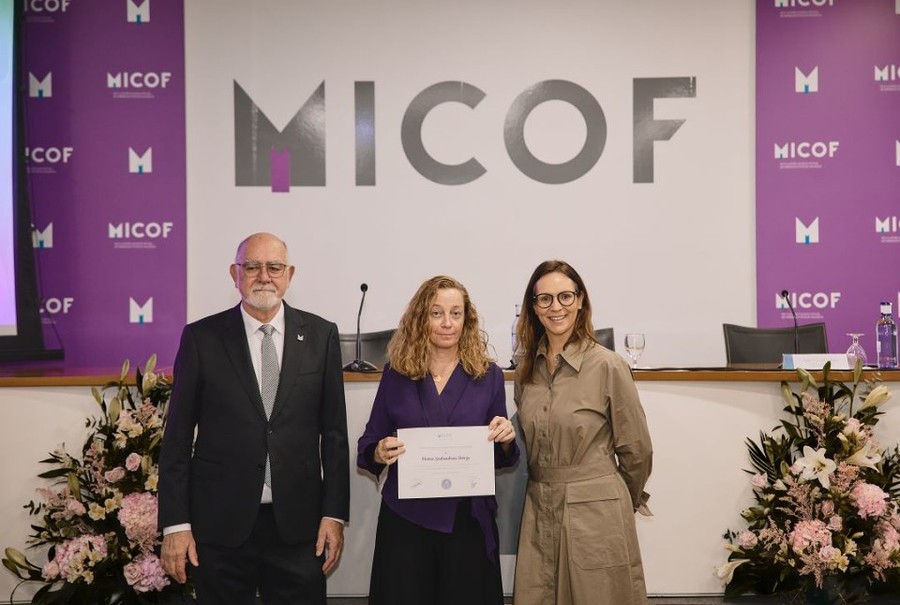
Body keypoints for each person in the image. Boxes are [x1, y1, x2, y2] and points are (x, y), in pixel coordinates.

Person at [158, 232, 349, 605]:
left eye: (274, 267)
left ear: (289, 274)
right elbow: (177, 438)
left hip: (299, 527)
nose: (264, 276)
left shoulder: (321, 335)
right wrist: (176, 525)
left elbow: (335, 434)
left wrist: (334, 515)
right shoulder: (201, 338)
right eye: (252, 267)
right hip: (220, 525)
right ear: (235, 274)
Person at [357, 275, 519, 605]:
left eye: (456, 313)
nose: (447, 323)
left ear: (466, 319)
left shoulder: (488, 375)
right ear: (421, 318)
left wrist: (504, 438)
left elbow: (503, 455)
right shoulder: (396, 374)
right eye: (436, 313)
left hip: (467, 521)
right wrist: (379, 451)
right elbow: (369, 443)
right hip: (406, 519)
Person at [512, 260, 653, 605]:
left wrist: (613, 500)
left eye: (565, 296)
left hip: (596, 514)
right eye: (544, 299)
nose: (555, 307)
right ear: (533, 307)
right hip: (539, 507)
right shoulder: (526, 370)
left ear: (580, 301)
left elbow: (637, 451)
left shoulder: (608, 365)